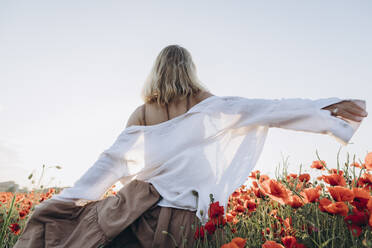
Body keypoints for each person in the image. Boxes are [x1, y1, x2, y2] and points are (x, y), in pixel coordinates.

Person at [14, 45, 368, 248]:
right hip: (183, 223)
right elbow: (270, 109)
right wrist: (327, 109)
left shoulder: (142, 113)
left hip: (133, 214)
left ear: (155, 72)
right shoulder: (211, 107)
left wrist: (65, 201)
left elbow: (109, 164)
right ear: (191, 70)